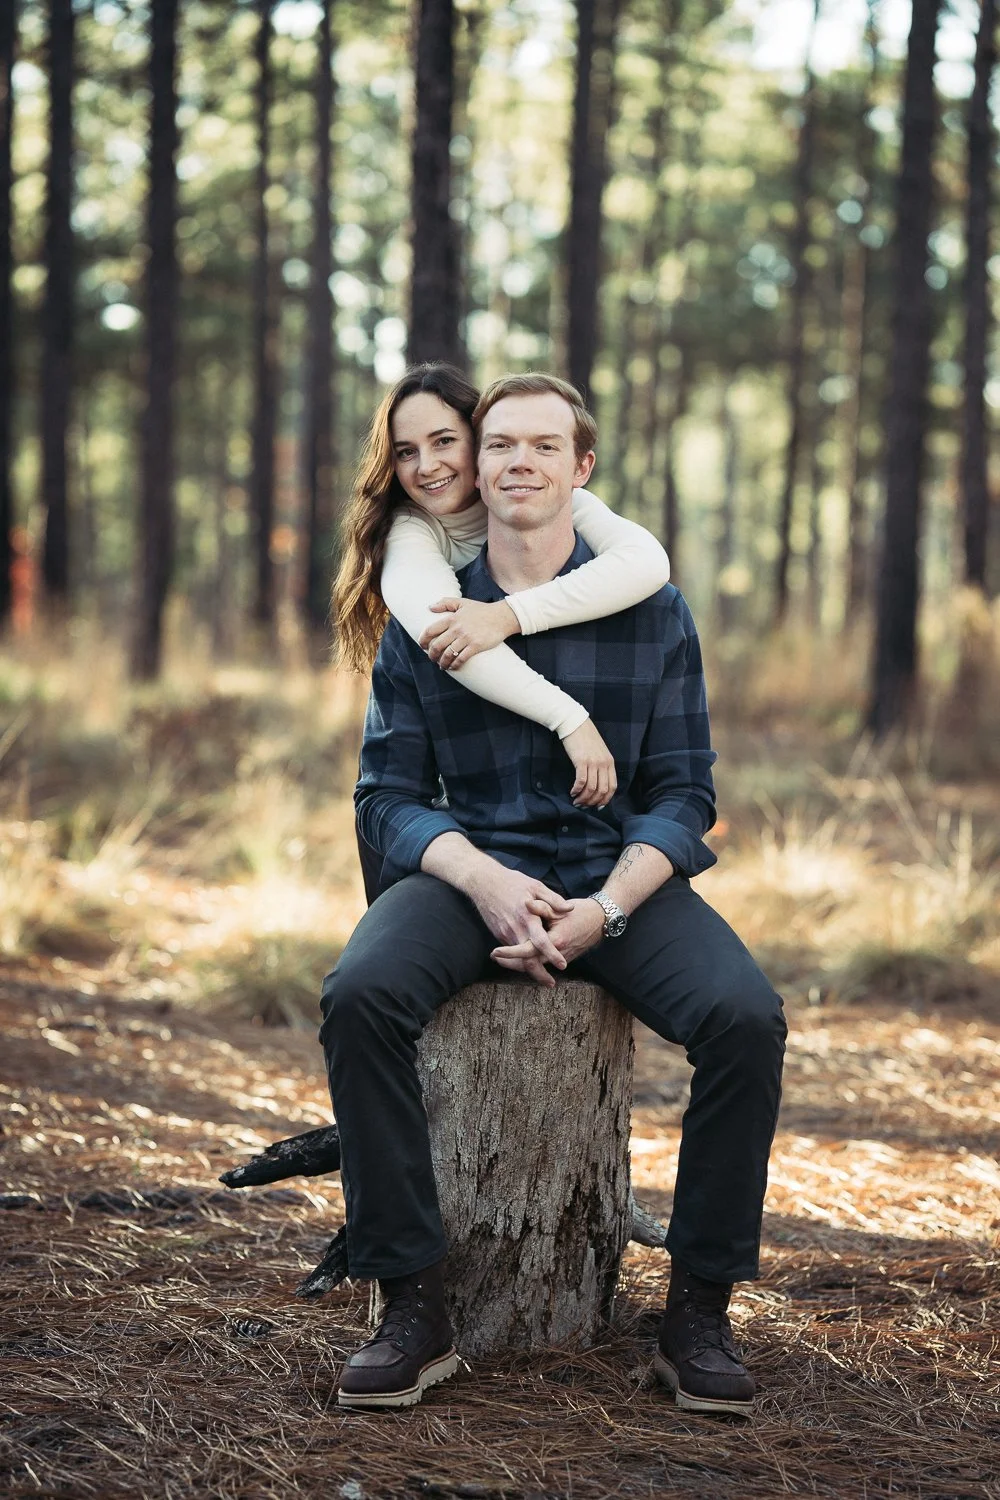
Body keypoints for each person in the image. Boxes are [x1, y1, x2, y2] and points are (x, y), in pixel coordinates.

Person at [321, 373, 786, 1417]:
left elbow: (684, 792)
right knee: (359, 995)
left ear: (579, 471)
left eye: (542, 446)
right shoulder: (427, 613)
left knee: (746, 1018)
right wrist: (480, 880)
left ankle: (698, 1311)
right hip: (469, 873)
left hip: (614, 878)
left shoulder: (653, 610)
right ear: (476, 472)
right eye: (498, 446)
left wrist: (607, 910)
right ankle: (412, 1303)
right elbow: (386, 794)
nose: (516, 462)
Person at [331, 363, 670, 814]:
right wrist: (570, 719)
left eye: (444, 441)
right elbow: (451, 638)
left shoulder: (547, 499)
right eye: (405, 452)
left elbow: (647, 563)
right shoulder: (409, 532)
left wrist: (506, 616)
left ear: (481, 439)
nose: (427, 466)